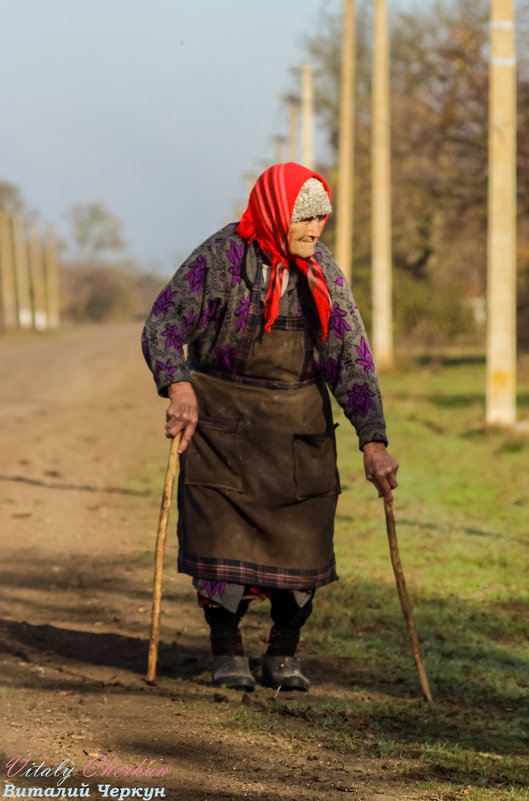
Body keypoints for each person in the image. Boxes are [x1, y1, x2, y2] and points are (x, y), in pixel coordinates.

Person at [142, 162, 398, 692]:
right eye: (304, 220)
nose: (314, 230)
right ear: (276, 212)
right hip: (221, 431)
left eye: (320, 220)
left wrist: (372, 440)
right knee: (221, 545)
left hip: (297, 431)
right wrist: (179, 385)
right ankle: (227, 651)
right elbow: (165, 322)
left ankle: (282, 653)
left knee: (303, 545)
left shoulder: (321, 271)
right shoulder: (221, 257)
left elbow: (351, 358)